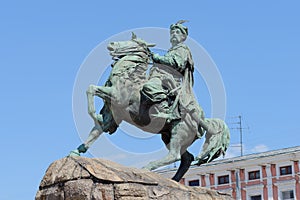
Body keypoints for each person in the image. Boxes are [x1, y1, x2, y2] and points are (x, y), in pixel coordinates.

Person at [141, 20, 204, 125]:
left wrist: (158, 58)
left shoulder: (183, 49)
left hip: (171, 80)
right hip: (161, 76)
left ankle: (164, 109)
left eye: (177, 32)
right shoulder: (172, 50)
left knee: (150, 87)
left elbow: (176, 63)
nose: (174, 34)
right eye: (172, 32)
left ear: (183, 37)